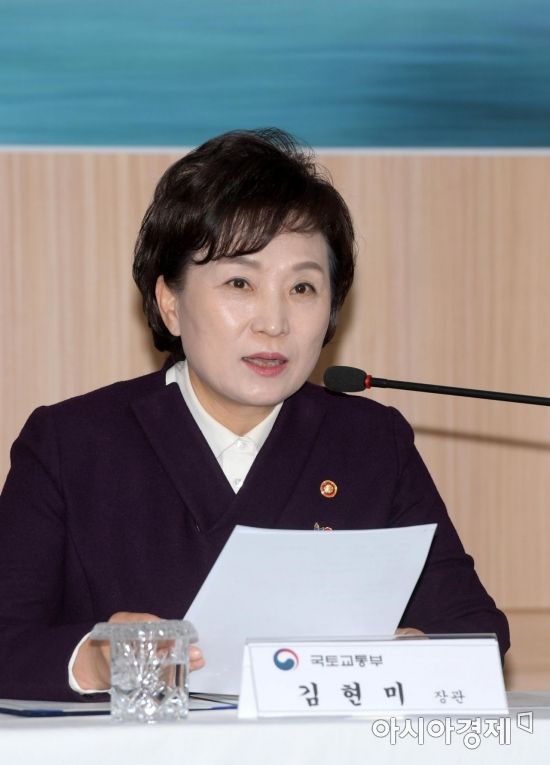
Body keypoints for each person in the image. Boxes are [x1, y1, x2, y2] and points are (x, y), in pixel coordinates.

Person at [0, 129, 509, 701]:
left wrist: (416, 655)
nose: (274, 322)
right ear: (170, 302)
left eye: (303, 288)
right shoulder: (72, 443)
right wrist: (93, 663)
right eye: (240, 282)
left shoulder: (370, 442)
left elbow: (474, 630)